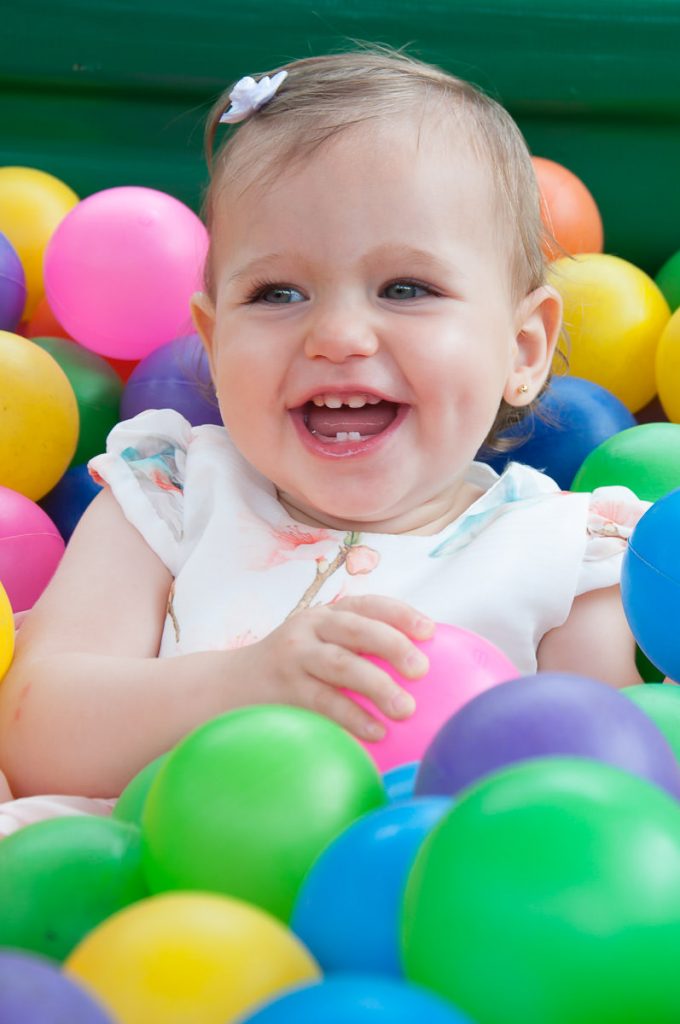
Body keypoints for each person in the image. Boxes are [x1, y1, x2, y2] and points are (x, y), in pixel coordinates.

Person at [0, 46, 646, 832]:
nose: (338, 335)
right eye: (277, 293)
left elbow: (605, 802)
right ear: (211, 337)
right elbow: (35, 734)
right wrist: (241, 684)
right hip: (130, 895)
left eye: (406, 288)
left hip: (414, 918)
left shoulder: (568, 557)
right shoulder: (168, 497)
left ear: (522, 349)